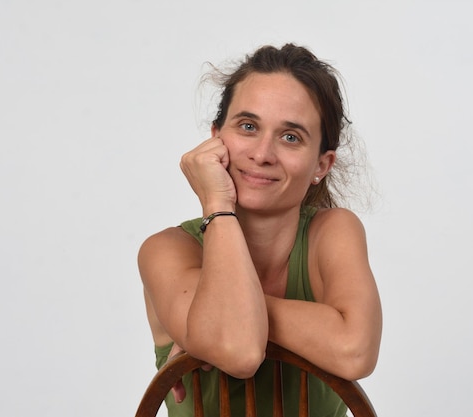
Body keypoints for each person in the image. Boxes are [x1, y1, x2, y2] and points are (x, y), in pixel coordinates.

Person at [138, 43, 382, 417]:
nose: (263, 153)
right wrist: (217, 205)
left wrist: (217, 320)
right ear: (216, 138)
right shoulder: (167, 250)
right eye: (248, 127)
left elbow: (356, 352)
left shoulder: (331, 232)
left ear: (322, 163)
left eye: (290, 137)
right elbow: (239, 350)